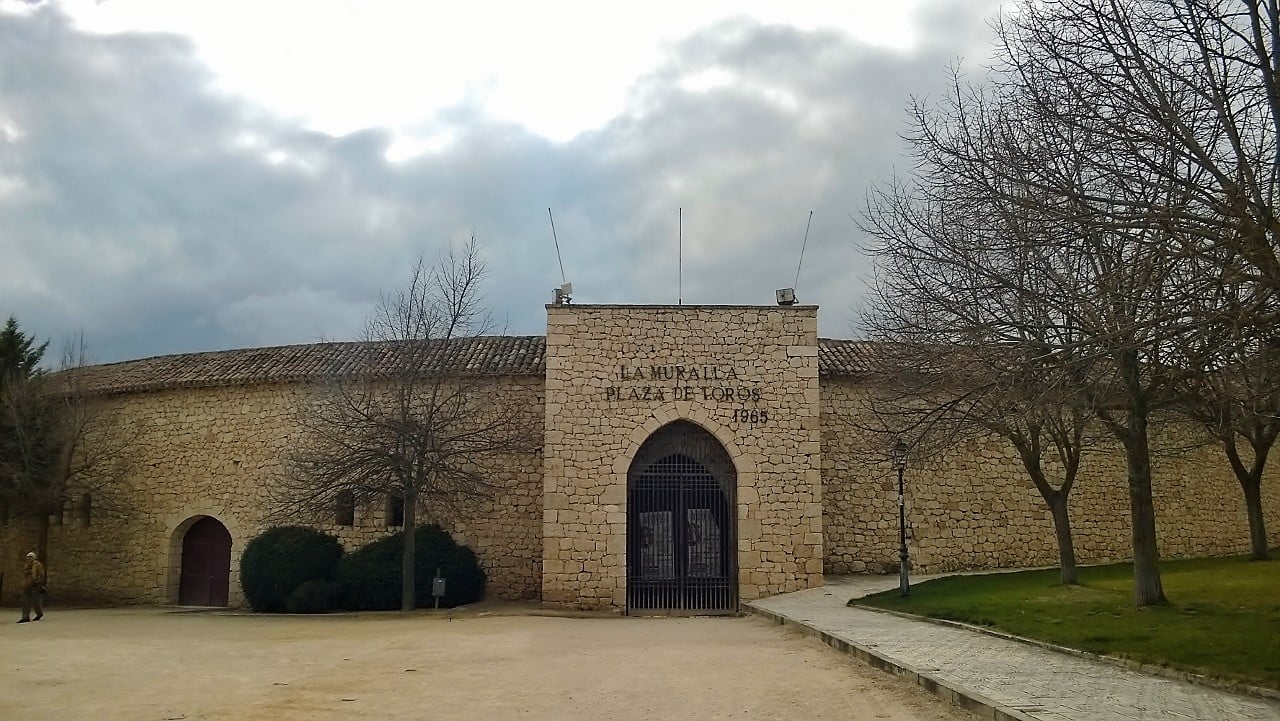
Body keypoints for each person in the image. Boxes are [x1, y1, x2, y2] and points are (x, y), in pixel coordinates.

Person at [18, 551, 45, 623]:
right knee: (25, 602)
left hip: (35, 585)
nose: (29, 558)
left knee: (36, 601)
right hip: (26, 586)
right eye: (28, 557)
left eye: (31, 557)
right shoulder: (26, 566)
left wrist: (40, 584)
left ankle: (39, 613)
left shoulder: (37, 565)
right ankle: (25, 617)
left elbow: (41, 575)